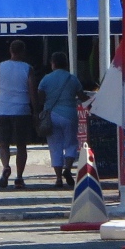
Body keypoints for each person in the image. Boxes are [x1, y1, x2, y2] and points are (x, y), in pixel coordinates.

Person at [0, 39, 39, 189]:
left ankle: (5, 166)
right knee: (21, 146)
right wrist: (36, 110)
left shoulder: (1, 67)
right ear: (23, 52)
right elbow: (32, 91)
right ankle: (19, 177)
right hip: (21, 110)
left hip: (2, 109)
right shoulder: (27, 68)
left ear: (10, 51)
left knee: (3, 143)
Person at [37, 51, 83, 190]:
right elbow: (81, 95)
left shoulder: (46, 79)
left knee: (54, 146)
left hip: (51, 116)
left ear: (53, 63)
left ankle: (58, 179)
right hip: (69, 114)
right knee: (71, 143)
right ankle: (68, 168)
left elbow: (40, 97)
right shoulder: (72, 78)